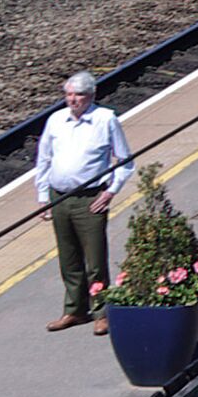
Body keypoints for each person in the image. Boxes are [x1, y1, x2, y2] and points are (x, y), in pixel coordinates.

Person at [26, 72, 134, 334]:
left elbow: (125, 161)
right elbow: (44, 161)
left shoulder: (105, 119)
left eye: (79, 95)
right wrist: (43, 197)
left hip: (90, 198)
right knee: (68, 256)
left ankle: (102, 311)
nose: (73, 100)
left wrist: (110, 192)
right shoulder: (55, 121)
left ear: (92, 96)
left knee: (95, 258)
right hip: (59, 197)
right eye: (69, 94)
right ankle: (74, 310)